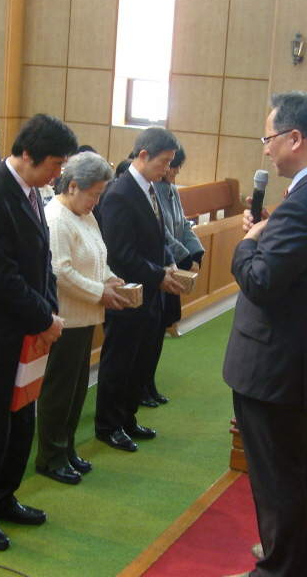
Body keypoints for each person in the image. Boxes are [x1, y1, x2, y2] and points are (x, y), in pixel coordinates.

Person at [221, 92, 307, 577]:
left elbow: (261, 283)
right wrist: (269, 231)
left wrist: (247, 243)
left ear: (295, 138)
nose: (266, 149)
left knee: (278, 479)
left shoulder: (306, 202)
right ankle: (296, 561)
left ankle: (278, 570)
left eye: (268, 139)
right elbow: (300, 265)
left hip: (275, 365)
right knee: (302, 470)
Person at [0, 113, 76, 551]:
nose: (59, 173)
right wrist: (44, 319)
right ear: (28, 154)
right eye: (56, 164)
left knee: (20, 425)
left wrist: (48, 313)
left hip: (26, 334)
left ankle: (2, 497)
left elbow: (42, 263)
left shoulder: (30, 191)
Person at [35, 152, 127, 485]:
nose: (97, 202)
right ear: (73, 186)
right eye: (94, 194)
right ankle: (50, 456)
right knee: (59, 392)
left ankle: (67, 447)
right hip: (65, 320)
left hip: (85, 316)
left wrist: (111, 279)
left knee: (76, 392)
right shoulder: (57, 218)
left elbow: (98, 256)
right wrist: (99, 291)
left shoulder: (84, 215)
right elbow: (60, 272)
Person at [95, 127, 184, 453]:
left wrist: (167, 264)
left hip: (150, 294)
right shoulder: (119, 193)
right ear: (143, 155)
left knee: (140, 361)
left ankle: (128, 418)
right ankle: (108, 425)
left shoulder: (150, 188)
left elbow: (156, 239)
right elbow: (120, 254)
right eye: (164, 161)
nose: (167, 168)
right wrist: (158, 275)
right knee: (119, 362)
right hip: (127, 294)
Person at [140, 145, 204, 408]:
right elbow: (161, 232)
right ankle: (141, 385)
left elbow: (183, 224)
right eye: (171, 165)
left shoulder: (172, 190)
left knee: (160, 329)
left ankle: (149, 382)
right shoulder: (150, 190)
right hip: (160, 267)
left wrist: (195, 254)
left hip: (173, 265)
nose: (174, 170)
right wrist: (183, 257)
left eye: (176, 166)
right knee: (149, 332)